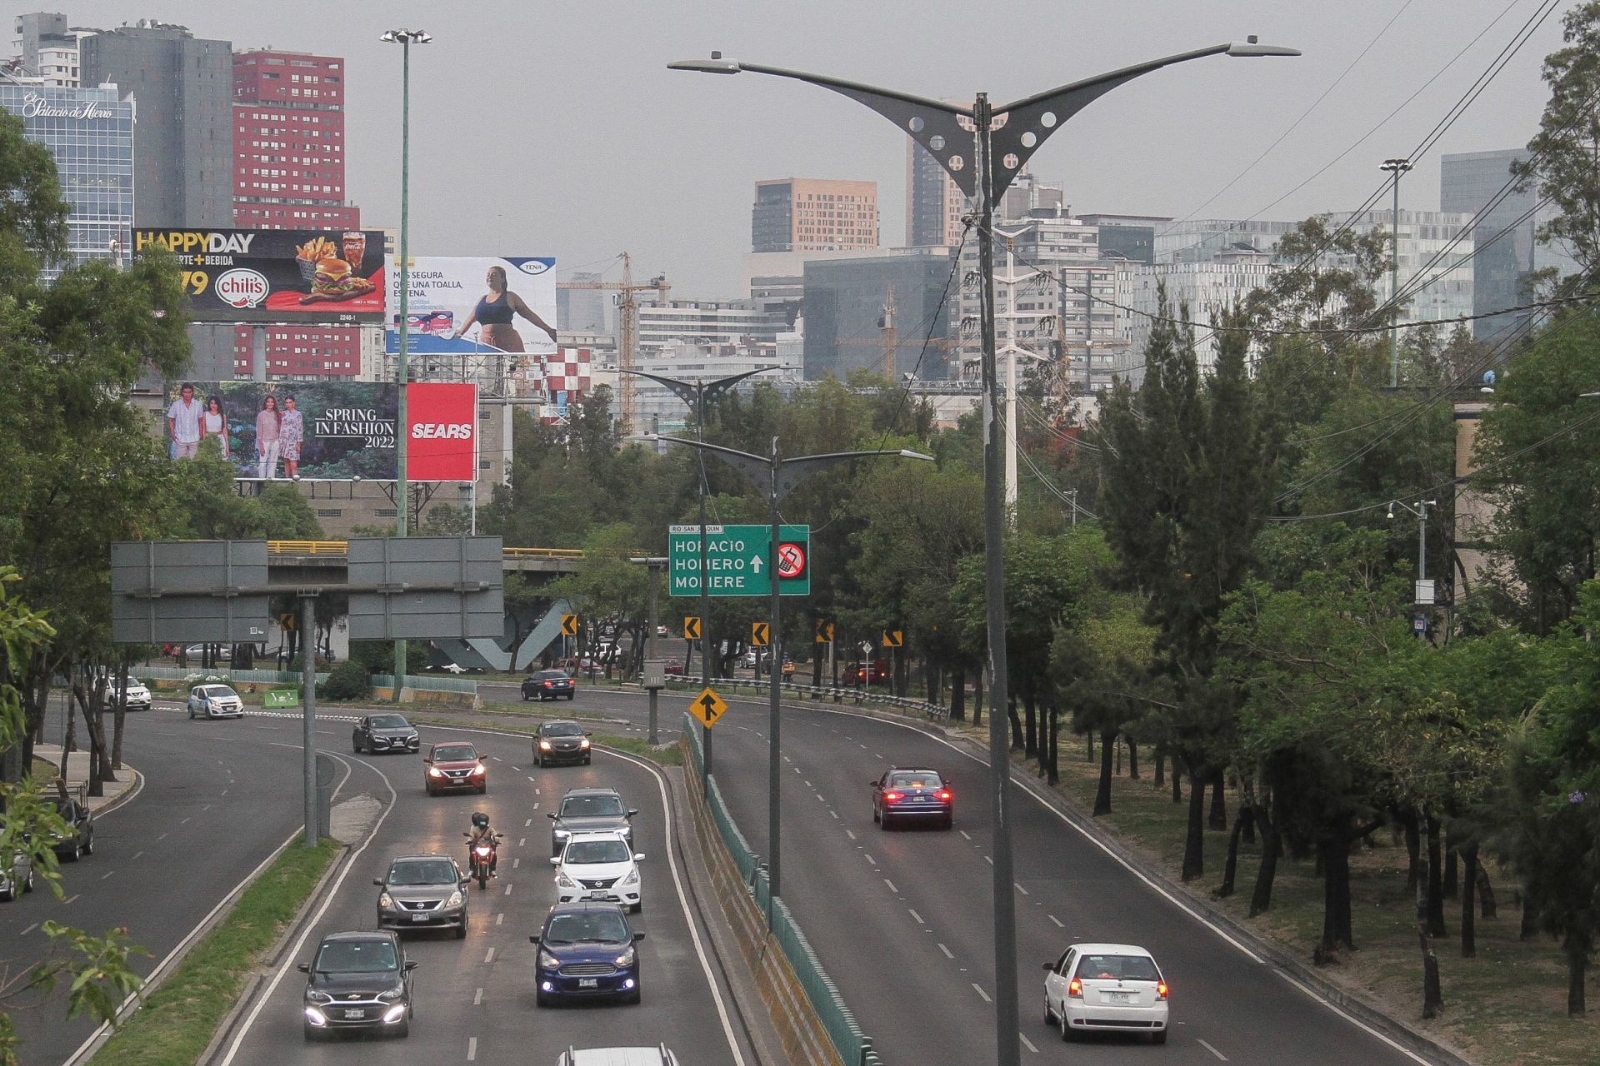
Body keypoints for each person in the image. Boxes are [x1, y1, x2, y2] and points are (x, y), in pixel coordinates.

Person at [450, 265, 557, 353]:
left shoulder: (510, 296)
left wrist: (549, 330)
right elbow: (469, 320)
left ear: (502, 279)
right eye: (488, 275)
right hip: (486, 342)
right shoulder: (482, 299)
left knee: (515, 370)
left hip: (508, 341)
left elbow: (529, 315)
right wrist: (458, 334)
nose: (490, 277)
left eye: (494, 275)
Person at [166, 382, 203, 459]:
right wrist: (173, 433)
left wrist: (200, 434)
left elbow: (200, 420)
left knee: (194, 464)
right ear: (182, 393)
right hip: (180, 439)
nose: (187, 394)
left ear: (192, 393)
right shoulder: (176, 405)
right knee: (181, 464)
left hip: (194, 438)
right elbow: (171, 419)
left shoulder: (198, 405)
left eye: (189, 392)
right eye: (185, 392)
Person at [255, 394, 283, 479]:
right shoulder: (261, 415)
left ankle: (270, 482)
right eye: (268, 402)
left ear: (274, 403)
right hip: (264, 441)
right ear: (265, 403)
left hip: (275, 441)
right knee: (263, 463)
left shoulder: (277, 414)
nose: (270, 403)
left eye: (272, 402)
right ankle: (261, 482)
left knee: (273, 463)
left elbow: (281, 428)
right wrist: (261, 445)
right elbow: (259, 431)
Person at [280, 394, 304, 478]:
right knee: (286, 461)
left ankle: (295, 480)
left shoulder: (298, 414)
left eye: (290, 402)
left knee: (293, 463)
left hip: (293, 441)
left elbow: (300, 429)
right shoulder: (283, 413)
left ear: (294, 403)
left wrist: (298, 443)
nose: (288, 404)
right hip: (284, 441)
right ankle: (287, 480)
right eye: (286, 403)